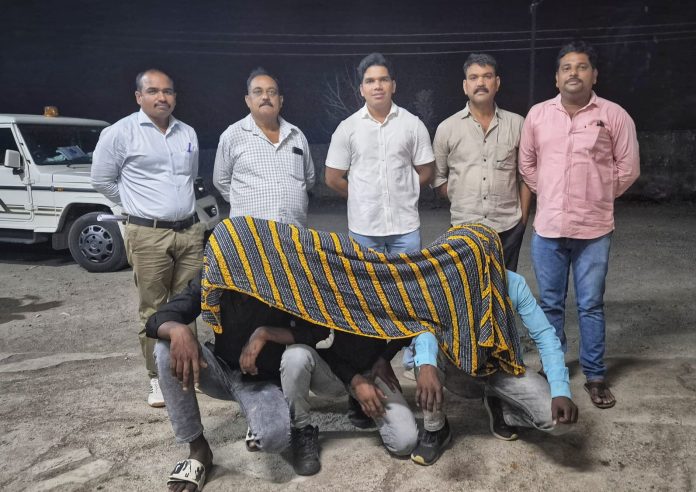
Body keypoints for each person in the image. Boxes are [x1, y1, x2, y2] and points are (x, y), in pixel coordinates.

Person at [518, 40, 640, 409]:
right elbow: (527, 165)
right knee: (550, 304)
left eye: (582, 67)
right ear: (557, 78)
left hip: (594, 229)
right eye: (567, 68)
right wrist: (551, 193)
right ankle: (553, 369)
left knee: (590, 304)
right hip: (549, 228)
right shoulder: (538, 115)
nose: (574, 73)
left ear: (594, 75)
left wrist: (598, 194)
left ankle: (595, 375)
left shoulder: (614, 115)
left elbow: (628, 168)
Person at [145, 273, 328, 489]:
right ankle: (198, 449)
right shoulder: (216, 273)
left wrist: (266, 333)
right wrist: (178, 329)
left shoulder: (280, 273)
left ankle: (257, 415)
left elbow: (316, 331)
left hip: (261, 381)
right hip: (218, 368)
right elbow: (159, 318)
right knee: (165, 348)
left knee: (274, 438)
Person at [92, 69, 205, 407]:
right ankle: (157, 377)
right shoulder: (120, 133)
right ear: (139, 96)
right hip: (148, 234)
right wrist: (135, 206)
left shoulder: (187, 133)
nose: (162, 97)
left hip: (189, 230)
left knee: (188, 306)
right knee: (154, 308)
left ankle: (188, 372)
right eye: (153, 91)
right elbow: (102, 180)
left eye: (168, 91)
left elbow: (190, 178)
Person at [409, 270, 579, 465]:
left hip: (503, 368)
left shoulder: (513, 283)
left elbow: (545, 335)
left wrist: (560, 389)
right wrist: (426, 364)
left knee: (559, 421)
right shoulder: (446, 279)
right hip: (460, 370)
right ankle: (436, 429)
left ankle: (504, 413)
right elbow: (427, 326)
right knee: (425, 360)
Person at [324, 52, 434, 253]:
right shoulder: (347, 128)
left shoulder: (413, 125)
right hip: (363, 230)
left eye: (383, 80)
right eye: (370, 81)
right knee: (364, 276)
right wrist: (360, 196)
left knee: (408, 275)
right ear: (361, 89)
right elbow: (332, 178)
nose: (377, 86)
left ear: (393, 85)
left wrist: (403, 190)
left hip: (406, 229)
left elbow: (427, 172)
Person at [432, 53, 531, 271]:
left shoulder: (517, 124)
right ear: (465, 86)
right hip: (463, 230)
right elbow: (438, 177)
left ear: (497, 83)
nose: (480, 83)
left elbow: (525, 177)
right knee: (467, 288)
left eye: (487, 76)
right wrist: (460, 198)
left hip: (507, 228)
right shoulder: (447, 128)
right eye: (474, 77)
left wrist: (522, 221)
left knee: (505, 287)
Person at [213, 68, 315, 227]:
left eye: (272, 92)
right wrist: (243, 201)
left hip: (293, 232)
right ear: (248, 100)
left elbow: (308, 179)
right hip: (249, 233)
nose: (266, 97)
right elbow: (221, 180)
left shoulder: (296, 135)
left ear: (280, 100)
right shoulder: (232, 135)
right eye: (258, 92)